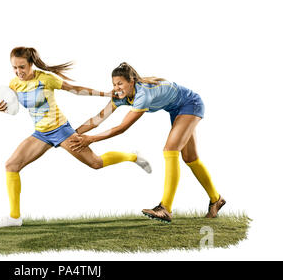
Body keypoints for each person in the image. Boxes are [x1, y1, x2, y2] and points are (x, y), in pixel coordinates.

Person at [0, 48, 151, 228]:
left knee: (96, 163)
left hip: (61, 130)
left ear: (31, 64)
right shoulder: (14, 84)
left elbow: (75, 90)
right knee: (11, 165)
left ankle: (133, 156)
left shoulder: (45, 79)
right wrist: (0, 107)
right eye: (14, 68)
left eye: (22, 67)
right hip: (41, 133)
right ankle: (14, 218)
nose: (19, 72)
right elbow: (10, 106)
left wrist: (105, 94)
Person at [70, 62, 225, 223]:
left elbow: (122, 127)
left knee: (170, 150)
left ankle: (165, 208)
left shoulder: (142, 95)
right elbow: (97, 120)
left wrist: (91, 139)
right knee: (190, 158)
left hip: (190, 104)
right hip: (176, 109)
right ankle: (216, 199)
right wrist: (73, 134)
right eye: (114, 84)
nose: (116, 88)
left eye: (120, 83)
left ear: (132, 82)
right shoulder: (121, 97)